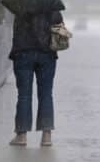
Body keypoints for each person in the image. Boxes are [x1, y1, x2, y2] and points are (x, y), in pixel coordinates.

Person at [9, 10, 64, 147]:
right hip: (47, 54)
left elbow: (16, 30)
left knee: (24, 96)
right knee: (46, 94)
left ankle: (21, 136)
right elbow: (59, 26)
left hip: (23, 53)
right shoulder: (51, 4)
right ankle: (46, 136)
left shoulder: (20, 3)